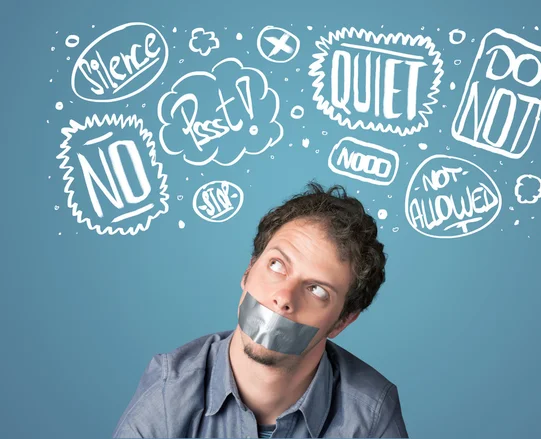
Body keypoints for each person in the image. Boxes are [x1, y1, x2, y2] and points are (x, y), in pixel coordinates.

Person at [113, 181, 409, 438]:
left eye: (317, 290)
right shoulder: (169, 391)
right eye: (277, 265)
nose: (283, 297)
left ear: (342, 322)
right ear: (248, 271)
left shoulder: (370, 414)